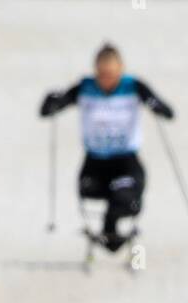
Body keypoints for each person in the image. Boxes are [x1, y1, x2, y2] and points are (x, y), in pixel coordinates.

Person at [39, 43, 173, 250]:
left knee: (127, 198)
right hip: (95, 163)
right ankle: (110, 235)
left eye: (111, 74)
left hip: (126, 161)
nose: (106, 79)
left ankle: (110, 234)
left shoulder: (134, 87)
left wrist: (158, 107)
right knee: (90, 191)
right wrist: (51, 102)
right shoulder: (85, 88)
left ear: (121, 69)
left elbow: (168, 111)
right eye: (102, 74)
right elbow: (49, 111)